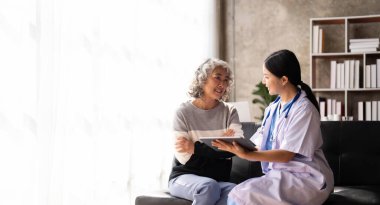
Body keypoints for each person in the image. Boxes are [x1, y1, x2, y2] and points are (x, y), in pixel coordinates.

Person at [213, 49, 334, 205]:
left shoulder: (304, 110)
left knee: (242, 195)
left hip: (307, 179)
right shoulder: (273, 108)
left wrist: (247, 155)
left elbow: (286, 155)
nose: (264, 82)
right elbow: (261, 143)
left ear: (283, 80)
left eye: (266, 77)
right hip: (281, 175)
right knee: (237, 194)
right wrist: (236, 146)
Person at [168, 58, 244, 205]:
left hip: (218, 180)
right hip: (184, 177)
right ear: (202, 79)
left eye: (226, 79)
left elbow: (234, 149)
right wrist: (221, 147)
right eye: (217, 77)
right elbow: (185, 158)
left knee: (237, 193)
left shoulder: (230, 111)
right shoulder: (182, 112)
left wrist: (195, 147)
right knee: (208, 186)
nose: (222, 84)